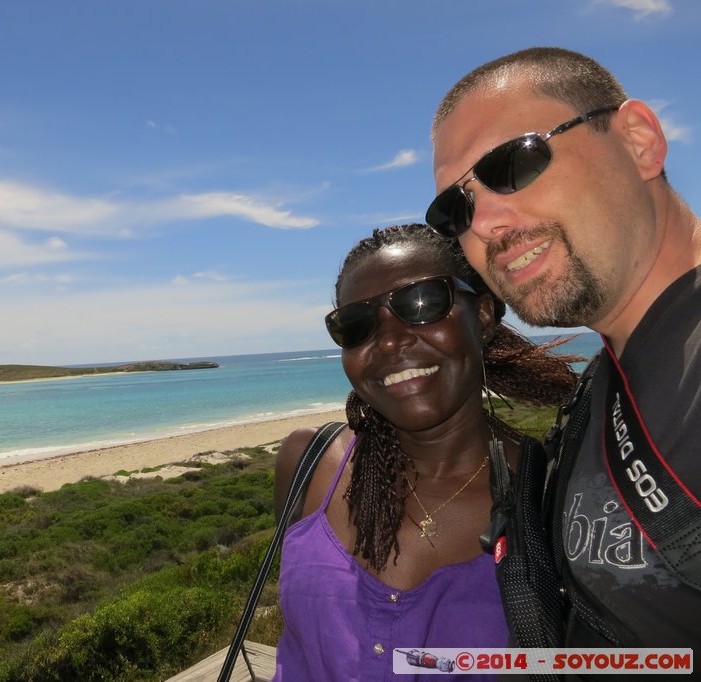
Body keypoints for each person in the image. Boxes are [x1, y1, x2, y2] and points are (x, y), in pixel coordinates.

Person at [427, 47, 701, 647]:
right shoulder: (603, 384)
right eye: (456, 209)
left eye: (512, 164)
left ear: (639, 141)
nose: (485, 224)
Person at [272, 223, 579, 680]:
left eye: (422, 303)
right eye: (357, 324)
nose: (390, 340)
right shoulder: (309, 463)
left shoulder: (552, 496)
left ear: (485, 316)